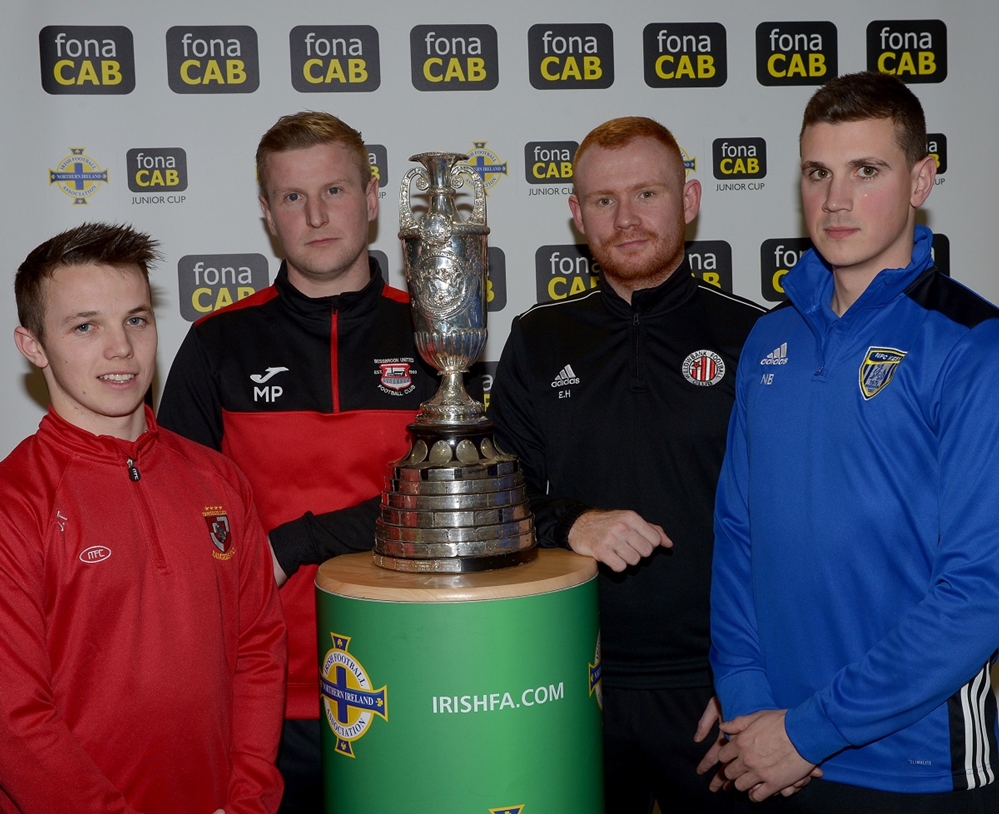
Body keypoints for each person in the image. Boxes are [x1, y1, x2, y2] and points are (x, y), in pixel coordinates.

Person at [711, 71, 998, 812]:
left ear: (919, 179)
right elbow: (738, 536)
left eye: (866, 170)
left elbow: (978, 593)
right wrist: (748, 705)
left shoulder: (973, 346)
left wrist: (808, 731)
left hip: (914, 766)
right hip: (768, 751)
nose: (835, 200)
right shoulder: (769, 337)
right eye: (817, 172)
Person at [158, 112, 437, 811]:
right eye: (291, 197)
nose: (315, 214)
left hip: (417, 675)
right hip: (259, 696)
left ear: (372, 200)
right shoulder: (217, 342)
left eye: (335, 191)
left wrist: (304, 537)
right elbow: (176, 525)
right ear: (266, 211)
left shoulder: (436, 336)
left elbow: (456, 504)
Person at [487, 116, 766, 812]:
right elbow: (497, 490)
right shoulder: (539, 337)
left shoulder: (758, 335)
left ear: (690, 200)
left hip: (719, 686)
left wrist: (766, 680)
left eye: (648, 193)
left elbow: (801, 520)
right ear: (578, 215)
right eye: (604, 201)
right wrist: (572, 520)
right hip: (572, 681)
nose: (627, 218)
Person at [0, 222, 286, 813]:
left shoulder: (219, 479)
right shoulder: (16, 502)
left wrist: (249, 799)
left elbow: (257, 649)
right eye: (86, 326)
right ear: (32, 345)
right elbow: (14, 719)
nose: (122, 349)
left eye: (136, 319)